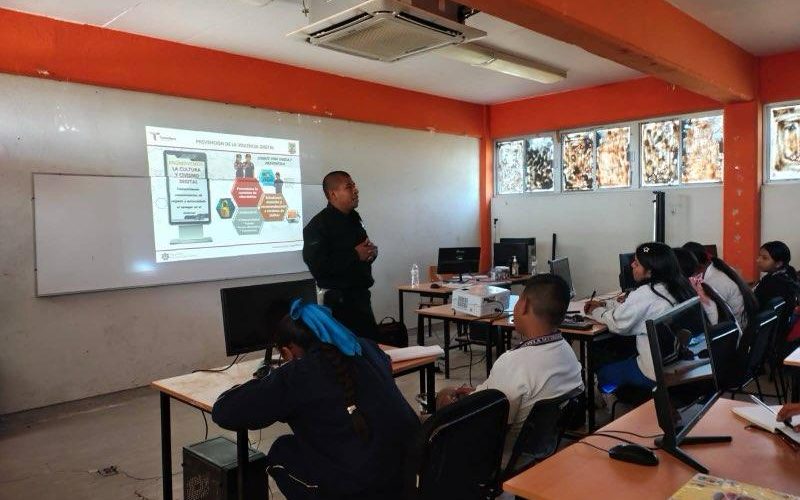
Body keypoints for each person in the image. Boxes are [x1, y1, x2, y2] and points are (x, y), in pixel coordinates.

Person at [211, 300, 419, 500]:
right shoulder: (367, 348)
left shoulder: (298, 376)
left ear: (288, 351)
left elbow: (224, 412)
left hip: (362, 488)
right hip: (410, 475)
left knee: (282, 451)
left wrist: (267, 381)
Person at [436, 274, 584, 465]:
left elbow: (488, 421)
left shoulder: (513, 362)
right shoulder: (568, 354)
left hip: (500, 459)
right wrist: (480, 394)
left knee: (444, 397)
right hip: (536, 455)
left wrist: (461, 400)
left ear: (524, 305)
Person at [585, 243, 696, 390]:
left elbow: (617, 323)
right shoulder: (679, 286)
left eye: (636, 263)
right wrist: (606, 305)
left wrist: (595, 311)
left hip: (652, 372)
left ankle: (616, 398)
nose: (632, 265)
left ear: (649, 271)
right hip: (677, 360)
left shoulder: (647, 293)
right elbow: (634, 309)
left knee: (604, 373)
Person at [303, 171, 380, 341]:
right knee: (346, 353)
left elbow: (362, 251)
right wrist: (355, 255)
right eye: (349, 187)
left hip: (361, 299)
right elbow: (319, 267)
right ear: (333, 194)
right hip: (338, 305)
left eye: (354, 186)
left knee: (371, 349)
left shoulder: (354, 218)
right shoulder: (318, 226)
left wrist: (371, 253)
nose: (356, 190)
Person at [683, 241, 758, 329]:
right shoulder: (718, 268)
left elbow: (711, 318)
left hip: (735, 330)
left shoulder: (713, 282)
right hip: (742, 324)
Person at [754, 241, 800, 312]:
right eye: (759, 256)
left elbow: (754, 305)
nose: (758, 260)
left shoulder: (772, 283)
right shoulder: (789, 272)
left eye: (764, 258)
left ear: (778, 264)